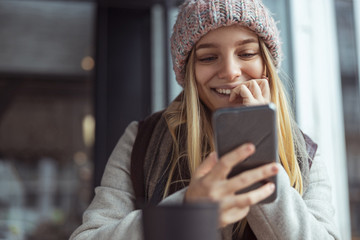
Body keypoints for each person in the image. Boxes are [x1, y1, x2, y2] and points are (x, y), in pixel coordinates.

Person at [70, 0, 340, 239]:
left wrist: (254, 150)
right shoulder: (141, 139)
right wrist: (187, 210)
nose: (231, 72)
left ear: (267, 63)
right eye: (209, 57)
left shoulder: (305, 154)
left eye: (246, 53)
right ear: (189, 72)